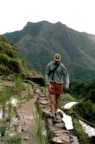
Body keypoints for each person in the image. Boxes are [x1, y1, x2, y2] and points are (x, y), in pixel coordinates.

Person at [45, 53, 70, 122]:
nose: (57, 61)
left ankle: (55, 111)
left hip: (59, 84)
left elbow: (66, 75)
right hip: (51, 84)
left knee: (58, 101)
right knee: (52, 100)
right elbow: (46, 74)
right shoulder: (49, 65)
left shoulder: (62, 66)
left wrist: (67, 83)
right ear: (54, 59)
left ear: (60, 60)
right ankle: (53, 114)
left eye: (58, 61)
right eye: (56, 60)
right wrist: (48, 84)